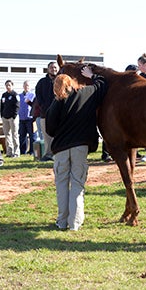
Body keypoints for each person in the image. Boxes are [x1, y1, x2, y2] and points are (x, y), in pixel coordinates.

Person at [45, 66, 107, 231]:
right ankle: (75, 223)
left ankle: (61, 221)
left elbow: (50, 128)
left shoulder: (55, 103)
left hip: (61, 149)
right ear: (71, 83)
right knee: (78, 184)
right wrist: (91, 75)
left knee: (62, 184)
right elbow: (101, 84)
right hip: (81, 147)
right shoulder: (86, 94)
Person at [35, 61, 59, 161]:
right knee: (46, 135)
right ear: (48, 69)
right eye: (51, 68)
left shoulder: (61, 81)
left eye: (55, 68)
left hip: (58, 114)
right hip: (45, 114)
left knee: (57, 135)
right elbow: (38, 95)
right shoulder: (42, 82)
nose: (53, 69)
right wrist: (43, 106)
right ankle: (48, 154)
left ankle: (57, 154)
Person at [0, 80, 20, 158]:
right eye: (6, 85)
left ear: (12, 86)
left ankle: (16, 152)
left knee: (14, 134)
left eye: (9, 85)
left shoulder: (15, 95)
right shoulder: (4, 95)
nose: (8, 87)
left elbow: (17, 106)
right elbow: (1, 106)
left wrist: (14, 116)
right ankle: (9, 152)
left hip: (13, 118)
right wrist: (2, 115)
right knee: (7, 135)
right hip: (5, 118)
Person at [18, 81, 37, 156]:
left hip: (30, 118)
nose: (26, 87)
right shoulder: (19, 96)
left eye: (28, 85)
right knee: (22, 136)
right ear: (23, 86)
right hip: (22, 119)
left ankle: (32, 151)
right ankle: (23, 151)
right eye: (25, 85)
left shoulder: (32, 95)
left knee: (32, 135)